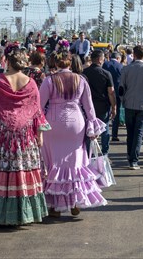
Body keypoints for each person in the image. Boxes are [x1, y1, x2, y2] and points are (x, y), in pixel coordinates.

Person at [0, 45, 50, 226]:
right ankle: (22, 214)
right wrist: (40, 135)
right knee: (21, 172)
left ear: (8, 62)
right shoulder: (30, 83)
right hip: (24, 138)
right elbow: (36, 112)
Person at [39, 47, 107, 216]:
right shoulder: (80, 79)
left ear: (55, 63)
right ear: (70, 63)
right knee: (76, 162)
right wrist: (93, 126)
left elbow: (39, 106)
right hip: (76, 122)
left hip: (53, 123)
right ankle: (75, 202)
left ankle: (55, 205)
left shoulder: (49, 80)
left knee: (53, 161)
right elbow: (89, 107)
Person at [119, 46, 143, 170]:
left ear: (133, 55)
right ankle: (134, 160)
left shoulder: (126, 69)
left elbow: (121, 89)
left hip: (129, 104)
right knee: (139, 133)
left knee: (130, 132)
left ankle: (130, 155)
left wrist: (122, 102)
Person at [83, 50, 116, 156]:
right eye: (103, 59)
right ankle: (105, 153)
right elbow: (111, 92)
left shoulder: (84, 73)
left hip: (87, 106)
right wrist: (114, 107)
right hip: (103, 106)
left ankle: (88, 153)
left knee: (88, 129)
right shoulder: (106, 74)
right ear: (99, 59)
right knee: (104, 130)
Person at [103, 51, 123, 142]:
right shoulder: (121, 66)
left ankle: (103, 132)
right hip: (117, 93)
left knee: (105, 112)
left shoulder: (105, 64)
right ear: (118, 58)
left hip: (106, 91)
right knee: (117, 112)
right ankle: (114, 134)